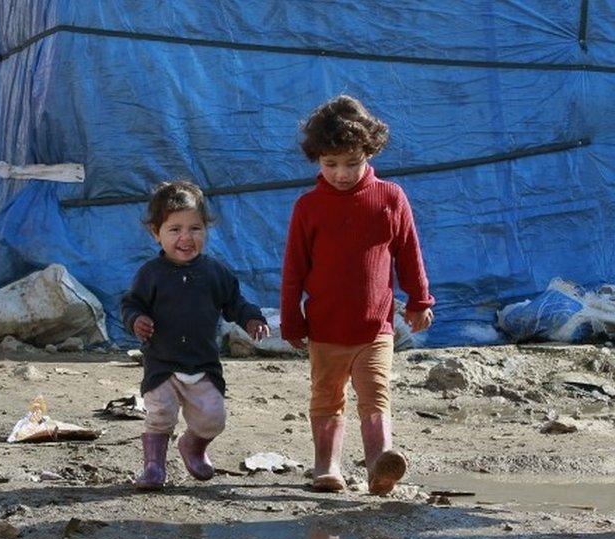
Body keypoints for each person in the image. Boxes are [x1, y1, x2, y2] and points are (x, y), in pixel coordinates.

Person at [280, 95, 435, 496]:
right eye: (330, 164)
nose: (342, 173)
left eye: (352, 162)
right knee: (327, 398)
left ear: (369, 151)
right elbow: (294, 269)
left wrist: (420, 301)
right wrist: (291, 319)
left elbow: (408, 252)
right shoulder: (308, 207)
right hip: (326, 328)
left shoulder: (390, 198)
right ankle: (326, 466)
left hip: (375, 328)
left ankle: (380, 466)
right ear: (317, 160)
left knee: (375, 395)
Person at [122, 180, 270, 490]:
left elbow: (235, 303)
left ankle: (193, 446)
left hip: (202, 363)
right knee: (160, 414)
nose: (186, 237)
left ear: (206, 229)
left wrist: (252, 318)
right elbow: (131, 304)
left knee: (213, 418)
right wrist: (137, 320)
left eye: (195, 228)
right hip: (162, 362)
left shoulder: (216, 273)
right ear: (155, 232)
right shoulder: (150, 274)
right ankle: (153, 466)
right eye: (175, 229)